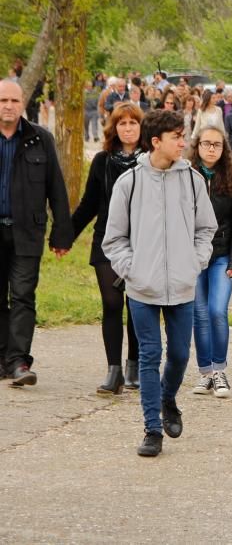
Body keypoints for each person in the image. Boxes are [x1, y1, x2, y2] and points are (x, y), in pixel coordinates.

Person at [102, 110, 217, 457]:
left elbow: (206, 229)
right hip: (142, 288)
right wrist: (131, 269)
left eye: (183, 135)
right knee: (150, 355)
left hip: (182, 286)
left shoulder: (194, 181)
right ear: (156, 142)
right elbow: (114, 238)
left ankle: (168, 398)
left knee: (180, 354)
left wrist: (195, 262)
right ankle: (152, 428)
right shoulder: (130, 183)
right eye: (176, 136)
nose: (183, 142)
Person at [0, 79, 73, 386]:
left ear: (23, 104)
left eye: (14, 101)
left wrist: (62, 234)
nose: (8, 106)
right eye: (3, 100)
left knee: (22, 296)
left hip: (27, 231)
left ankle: (18, 362)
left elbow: (56, 188)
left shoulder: (39, 139)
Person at [71, 103, 144, 394]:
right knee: (112, 303)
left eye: (133, 123)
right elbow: (89, 203)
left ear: (141, 127)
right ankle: (113, 371)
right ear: (114, 128)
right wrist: (65, 236)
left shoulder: (150, 161)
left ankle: (134, 367)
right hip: (107, 241)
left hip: (141, 243)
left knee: (136, 305)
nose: (128, 128)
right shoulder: (102, 161)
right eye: (122, 123)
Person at [187, 126, 232, 398]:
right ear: (197, 146)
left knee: (217, 311)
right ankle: (206, 373)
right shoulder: (185, 176)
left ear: (224, 150)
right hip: (192, 258)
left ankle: (220, 370)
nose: (211, 149)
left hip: (222, 256)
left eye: (217, 145)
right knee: (198, 315)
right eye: (206, 143)